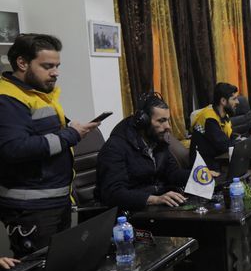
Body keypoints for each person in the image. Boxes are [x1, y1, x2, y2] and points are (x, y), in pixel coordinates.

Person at [0, 34, 99, 257]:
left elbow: (43, 132)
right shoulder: (7, 99)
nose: (55, 72)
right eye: (47, 66)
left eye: (57, 66)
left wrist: (71, 127)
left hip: (56, 201)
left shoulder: (39, 94)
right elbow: (14, 149)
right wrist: (71, 135)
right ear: (22, 63)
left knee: (62, 267)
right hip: (31, 209)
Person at [95, 92, 190, 212]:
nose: (168, 126)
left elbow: (172, 173)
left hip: (154, 206)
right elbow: (113, 193)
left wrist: (198, 176)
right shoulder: (115, 147)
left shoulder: (158, 141)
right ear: (143, 121)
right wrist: (155, 199)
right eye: (161, 121)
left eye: (167, 120)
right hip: (131, 212)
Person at [189, 82, 251, 171]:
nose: (237, 102)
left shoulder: (223, 115)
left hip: (217, 161)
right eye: (234, 99)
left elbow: (230, 139)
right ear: (223, 101)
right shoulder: (209, 119)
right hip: (204, 169)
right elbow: (225, 145)